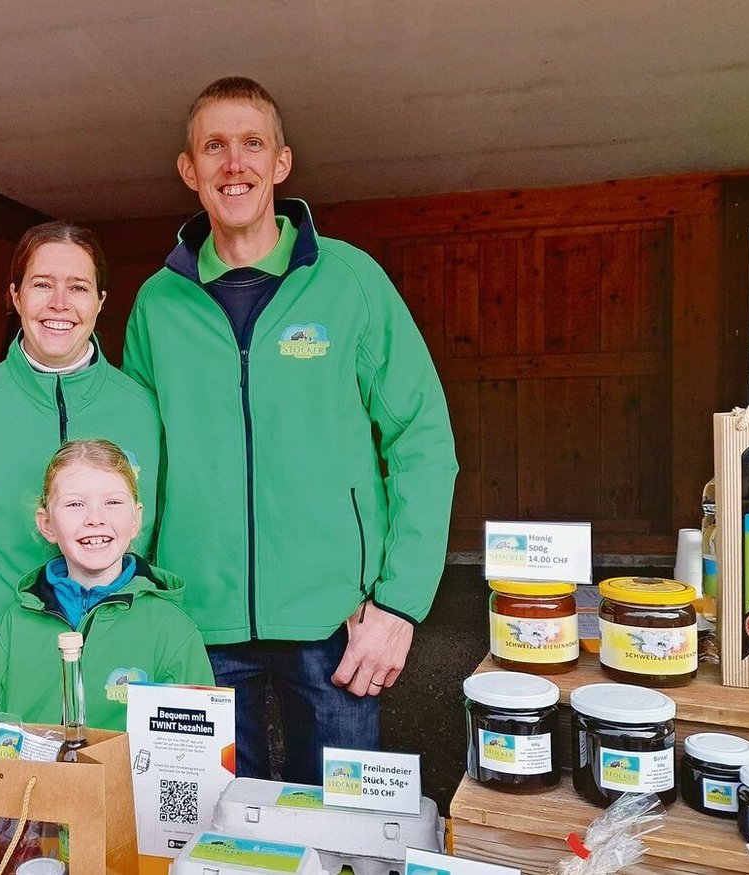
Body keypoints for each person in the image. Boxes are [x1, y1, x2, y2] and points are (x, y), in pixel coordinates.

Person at [122, 77, 457, 782]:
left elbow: (422, 438)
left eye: (252, 144)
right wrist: (136, 600)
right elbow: (134, 467)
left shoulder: (350, 281)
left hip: (336, 619)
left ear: (281, 163)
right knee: (207, 831)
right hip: (195, 620)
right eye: (214, 146)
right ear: (190, 170)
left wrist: (399, 602)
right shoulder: (156, 305)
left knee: (342, 833)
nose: (233, 163)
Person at [0, 223, 163, 743]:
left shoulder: (140, 407)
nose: (60, 302)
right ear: (16, 296)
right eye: (42, 284)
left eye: (79, 286)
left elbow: (154, 540)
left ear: (100, 302)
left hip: (112, 671)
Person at [0, 440, 213, 730]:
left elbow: (194, 754)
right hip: (30, 777)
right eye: (75, 504)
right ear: (47, 524)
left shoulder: (173, 632)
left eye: (113, 503)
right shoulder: (12, 627)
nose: (95, 519)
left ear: (136, 519)